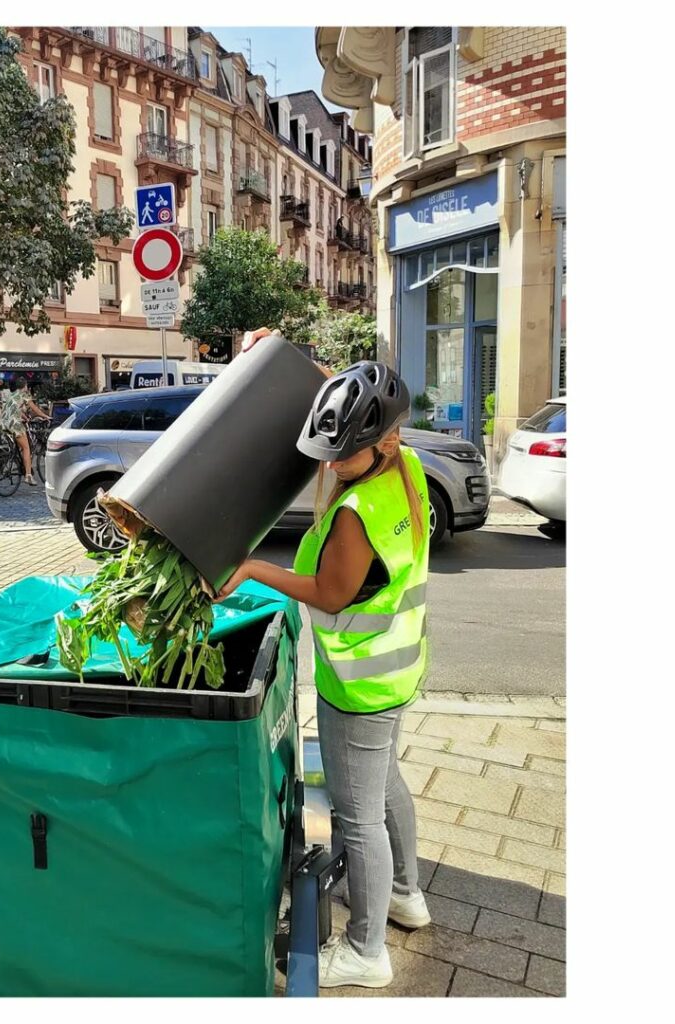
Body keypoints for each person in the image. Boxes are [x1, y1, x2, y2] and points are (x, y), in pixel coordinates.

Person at [217, 327, 431, 991]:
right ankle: (405, 893)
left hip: (357, 685)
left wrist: (252, 569)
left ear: (385, 441)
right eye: (330, 451)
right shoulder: (405, 469)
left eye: (346, 454)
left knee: (357, 815)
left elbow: (329, 591)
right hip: (398, 671)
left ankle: (367, 950)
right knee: (385, 785)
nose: (333, 464)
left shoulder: (353, 515)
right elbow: (346, 401)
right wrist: (281, 355)